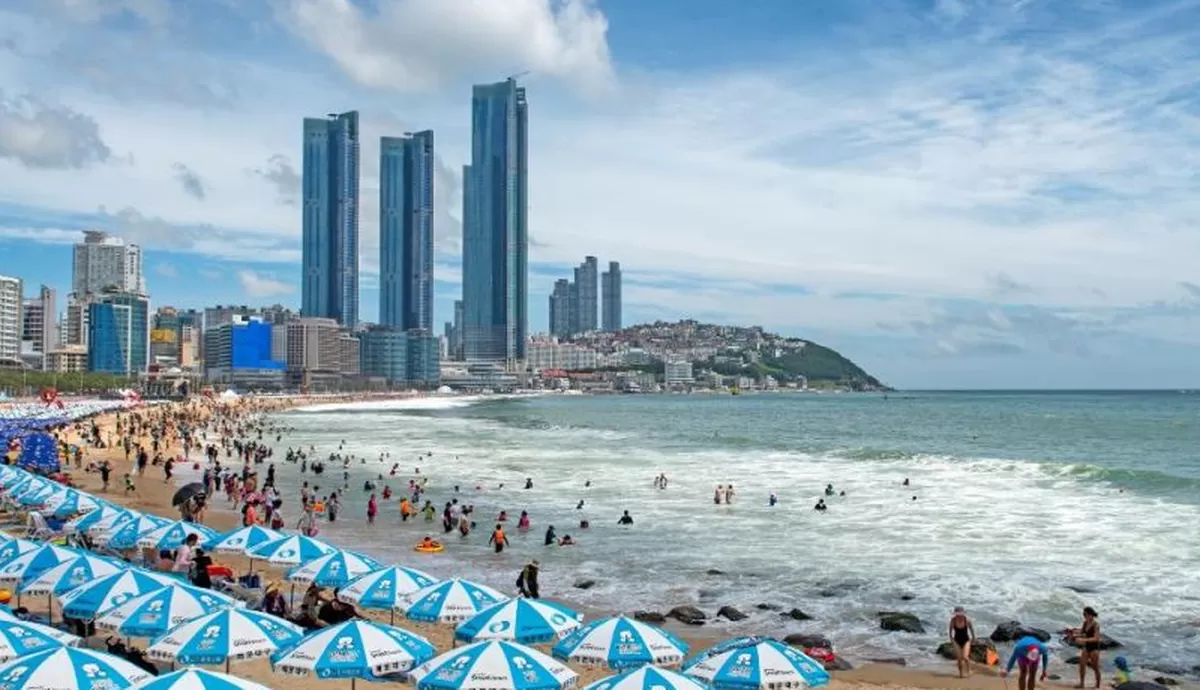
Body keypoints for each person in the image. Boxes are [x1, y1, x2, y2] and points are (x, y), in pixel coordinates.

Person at [1071, 606, 1103, 688]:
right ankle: (1082, 684)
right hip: (1086, 647)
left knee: (1095, 667)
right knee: (1082, 665)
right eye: (1084, 614)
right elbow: (1082, 632)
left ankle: (1097, 685)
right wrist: (1073, 632)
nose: (1084, 616)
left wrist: (1083, 640)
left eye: (1085, 614)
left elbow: (1096, 638)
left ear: (1091, 615)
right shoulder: (1085, 623)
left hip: (1094, 648)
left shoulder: (1096, 625)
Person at [948, 606, 975, 678]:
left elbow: (971, 630)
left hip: (966, 640)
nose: (959, 616)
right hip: (956, 640)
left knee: (965, 657)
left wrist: (973, 638)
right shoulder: (953, 620)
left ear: (963, 614)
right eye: (957, 614)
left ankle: (969, 670)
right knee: (959, 658)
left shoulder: (967, 620)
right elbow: (950, 630)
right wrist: (951, 638)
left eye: (960, 614)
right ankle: (961, 674)